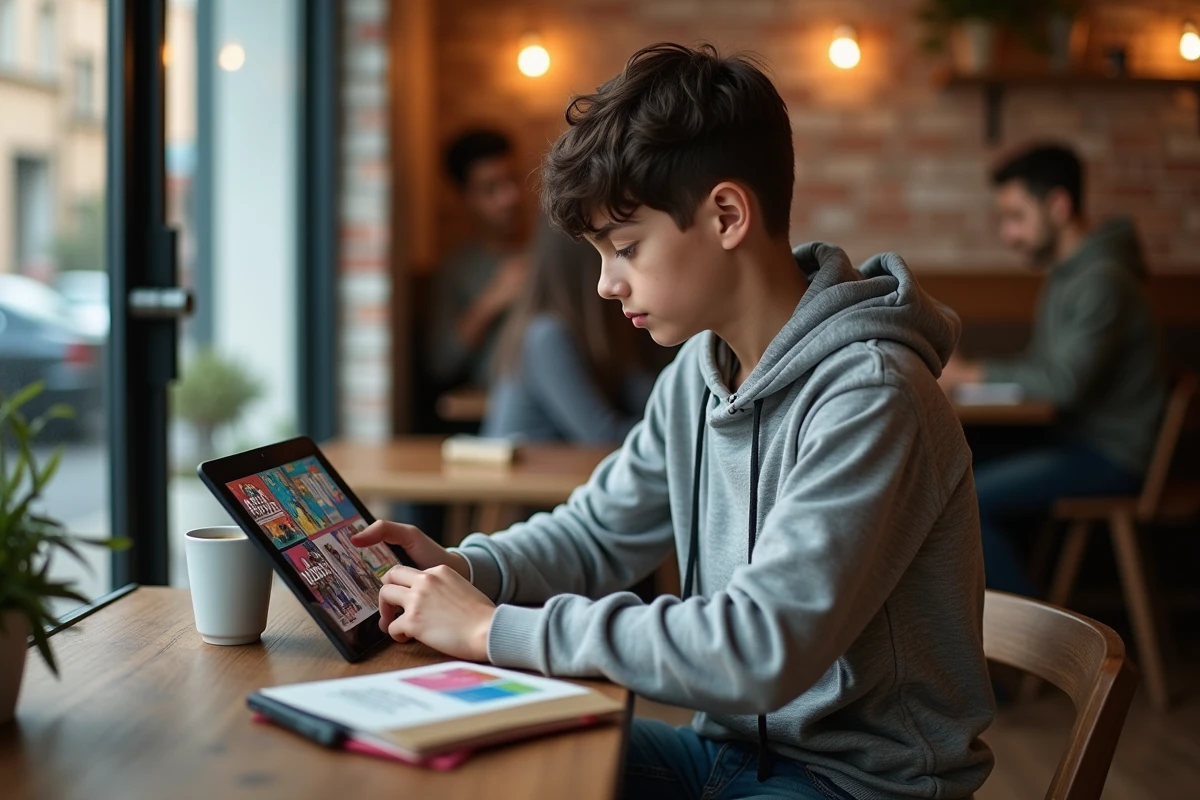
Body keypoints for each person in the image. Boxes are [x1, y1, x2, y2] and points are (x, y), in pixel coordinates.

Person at [353, 43, 993, 800]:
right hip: (724, 752)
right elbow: (597, 532)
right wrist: (465, 570)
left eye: (625, 247)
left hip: (857, 783)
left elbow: (761, 647)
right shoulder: (700, 370)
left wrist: (492, 631)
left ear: (726, 215)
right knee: (468, 761)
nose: (603, 282)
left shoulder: (872, 395)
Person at [941, 144, 1167, 597]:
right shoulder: (1071, 274)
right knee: (950, 466)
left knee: (965, 498)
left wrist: (970, 376)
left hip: (1111, 455)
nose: (1009, 234)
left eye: (1016, 216)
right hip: (1078, 439)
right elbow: (1047, 371)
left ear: (1059, 207)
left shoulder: (1102, 279)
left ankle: (1042, 650)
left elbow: (1062, 385)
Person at [481, 219, 658, 443]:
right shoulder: (545, 335)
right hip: (523, 476)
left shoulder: (599, 331)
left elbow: (647, 400)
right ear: (590, 265)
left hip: (559, 473)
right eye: (621, 251)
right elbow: (602, 436)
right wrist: (680, 427)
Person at [429, 129, 529, 389]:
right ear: (466, 199)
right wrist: (491, 301)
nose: (510, 197)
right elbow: (441, 364)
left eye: (512, 180)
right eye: (490, 189)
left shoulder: (549, 255)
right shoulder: (455, 271)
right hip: (485, 407)